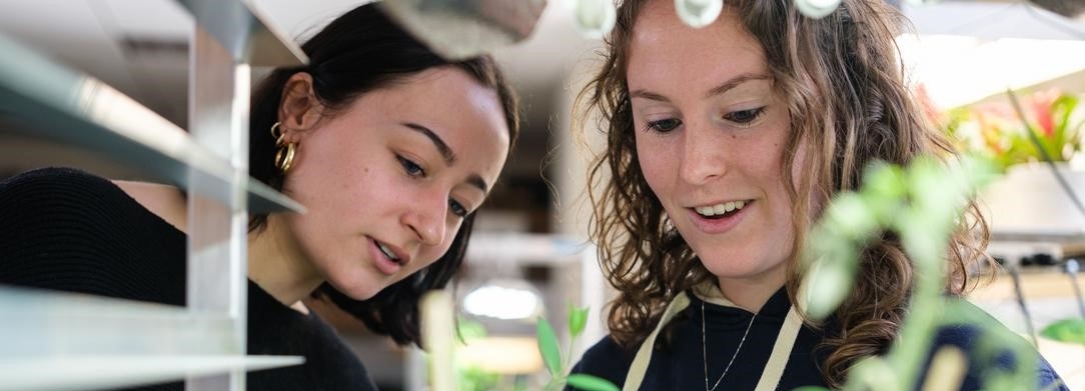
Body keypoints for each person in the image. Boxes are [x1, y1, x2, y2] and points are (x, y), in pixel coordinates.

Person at [0, 3, 518, 391]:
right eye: (412, 164)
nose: (431, 228)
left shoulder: (337, 380)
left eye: (458, 206)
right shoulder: (65, 222)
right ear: (300, 110)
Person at [567, 0, 1067, 390]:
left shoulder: (966, 367)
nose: (696, 166)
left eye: (743, 113)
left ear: (849, 116)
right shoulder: (611, 372)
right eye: (662, 123)